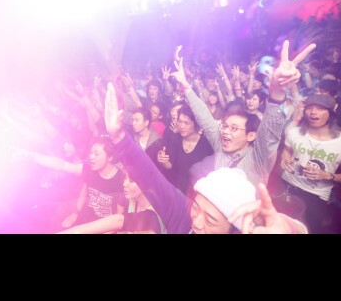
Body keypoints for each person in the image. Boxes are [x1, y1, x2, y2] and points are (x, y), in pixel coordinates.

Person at [104, 82, 307, 234]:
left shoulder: (258, 159)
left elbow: (269, 137)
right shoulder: (185, 219)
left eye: (210, 220)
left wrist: (289, 228)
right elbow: (152, 178)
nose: (197, 223)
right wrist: (119, 137)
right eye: (195, 207)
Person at [173, 40, 316, 188]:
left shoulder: (259, 157)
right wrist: (185, 85)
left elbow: (270, 131)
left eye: (234, 128)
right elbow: (204, 117)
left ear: (251, 136)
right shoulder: (220, 144)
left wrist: (277, 91)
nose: (225, 131)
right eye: (225, 126)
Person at [280, 94, 341, 233]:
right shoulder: (294, 132)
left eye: (320, 108)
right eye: (310, 108)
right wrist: (285, 159)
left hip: (316, 194)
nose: (313, 112)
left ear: (331, 113)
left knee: (310, 229)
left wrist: (327, 175)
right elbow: (287, 150)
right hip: (288, 185)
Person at [58, 168, 165, 234]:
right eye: (125, 178)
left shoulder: (152, 216)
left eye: (131, 181)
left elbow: (118, 221)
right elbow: (117, 225)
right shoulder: (130, 200)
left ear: (147, 184)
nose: (124, 184)